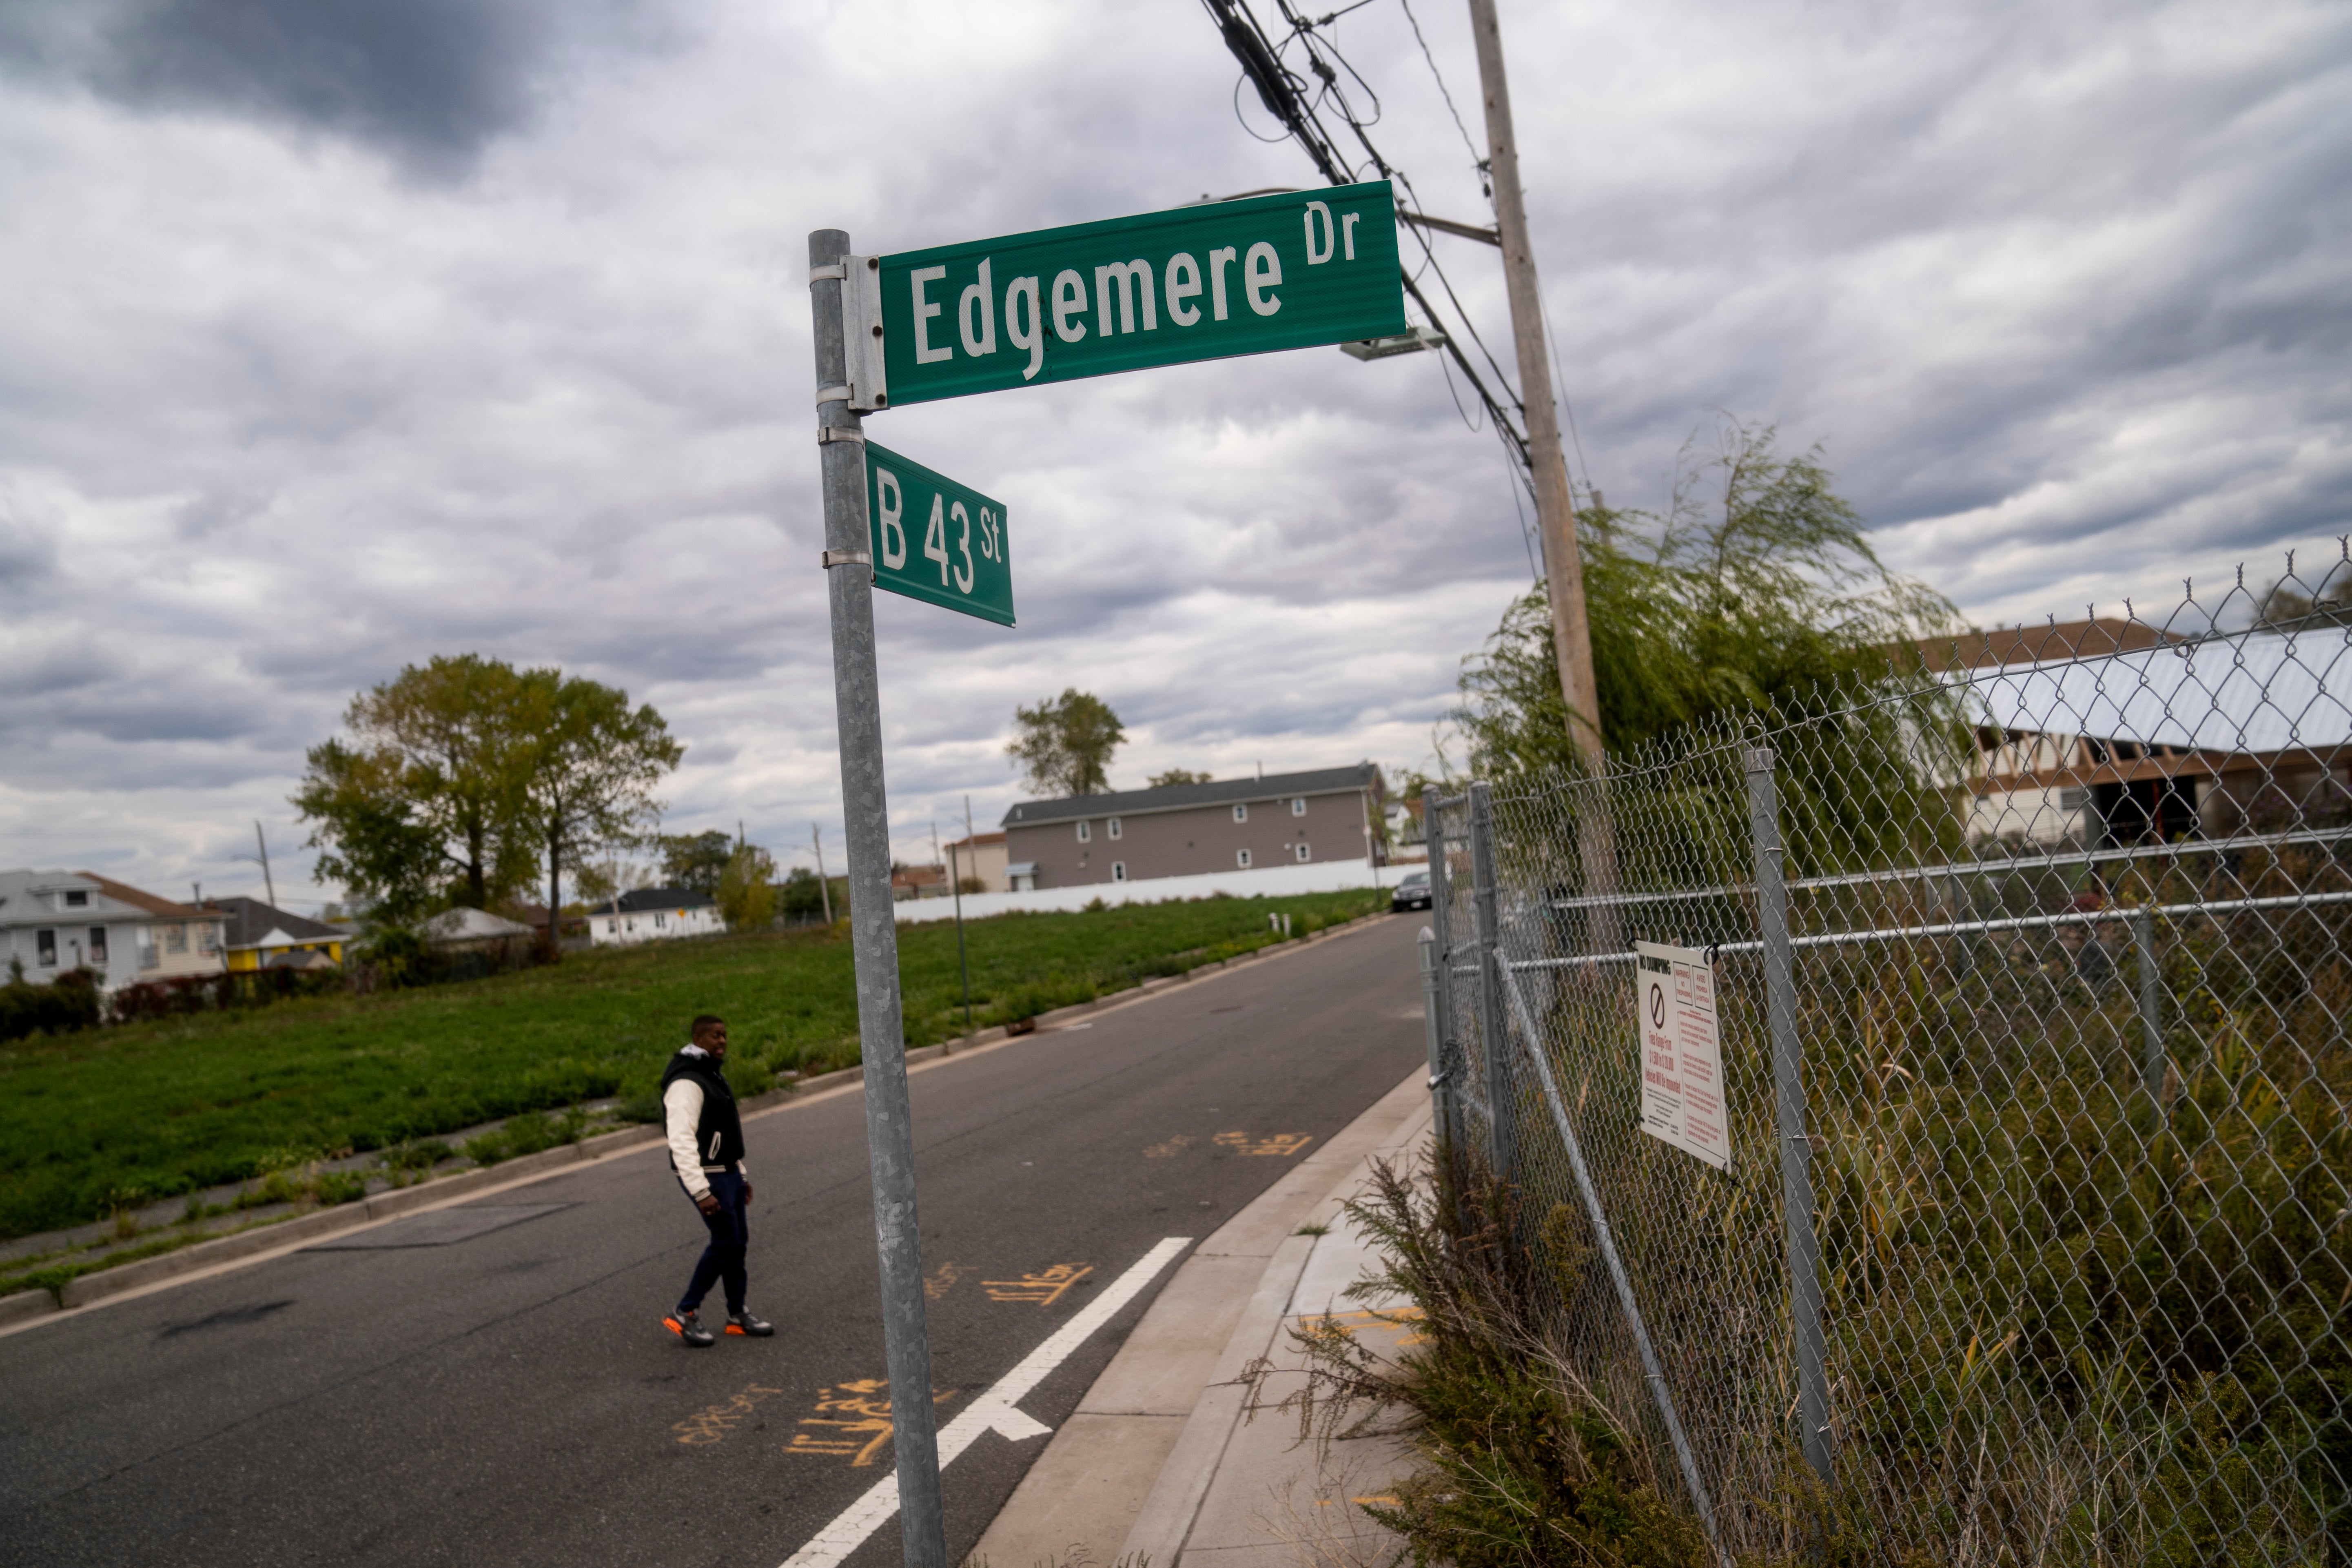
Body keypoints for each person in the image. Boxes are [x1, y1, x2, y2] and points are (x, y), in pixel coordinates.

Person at [660, 1014, 773, 1347]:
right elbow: (680, 1139)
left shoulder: (710, 1074)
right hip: (706, 1177)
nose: (722, 1041)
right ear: (697, 1039)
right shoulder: (686, 1082)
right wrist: (700, 1190)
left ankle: (737, 1314)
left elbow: (723, 1132)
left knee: (737, 1244)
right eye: (714, 1036)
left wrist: (740, 1174)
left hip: (726, 1173)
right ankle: (684, 1312)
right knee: (725, 1242)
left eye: (724, 1035)